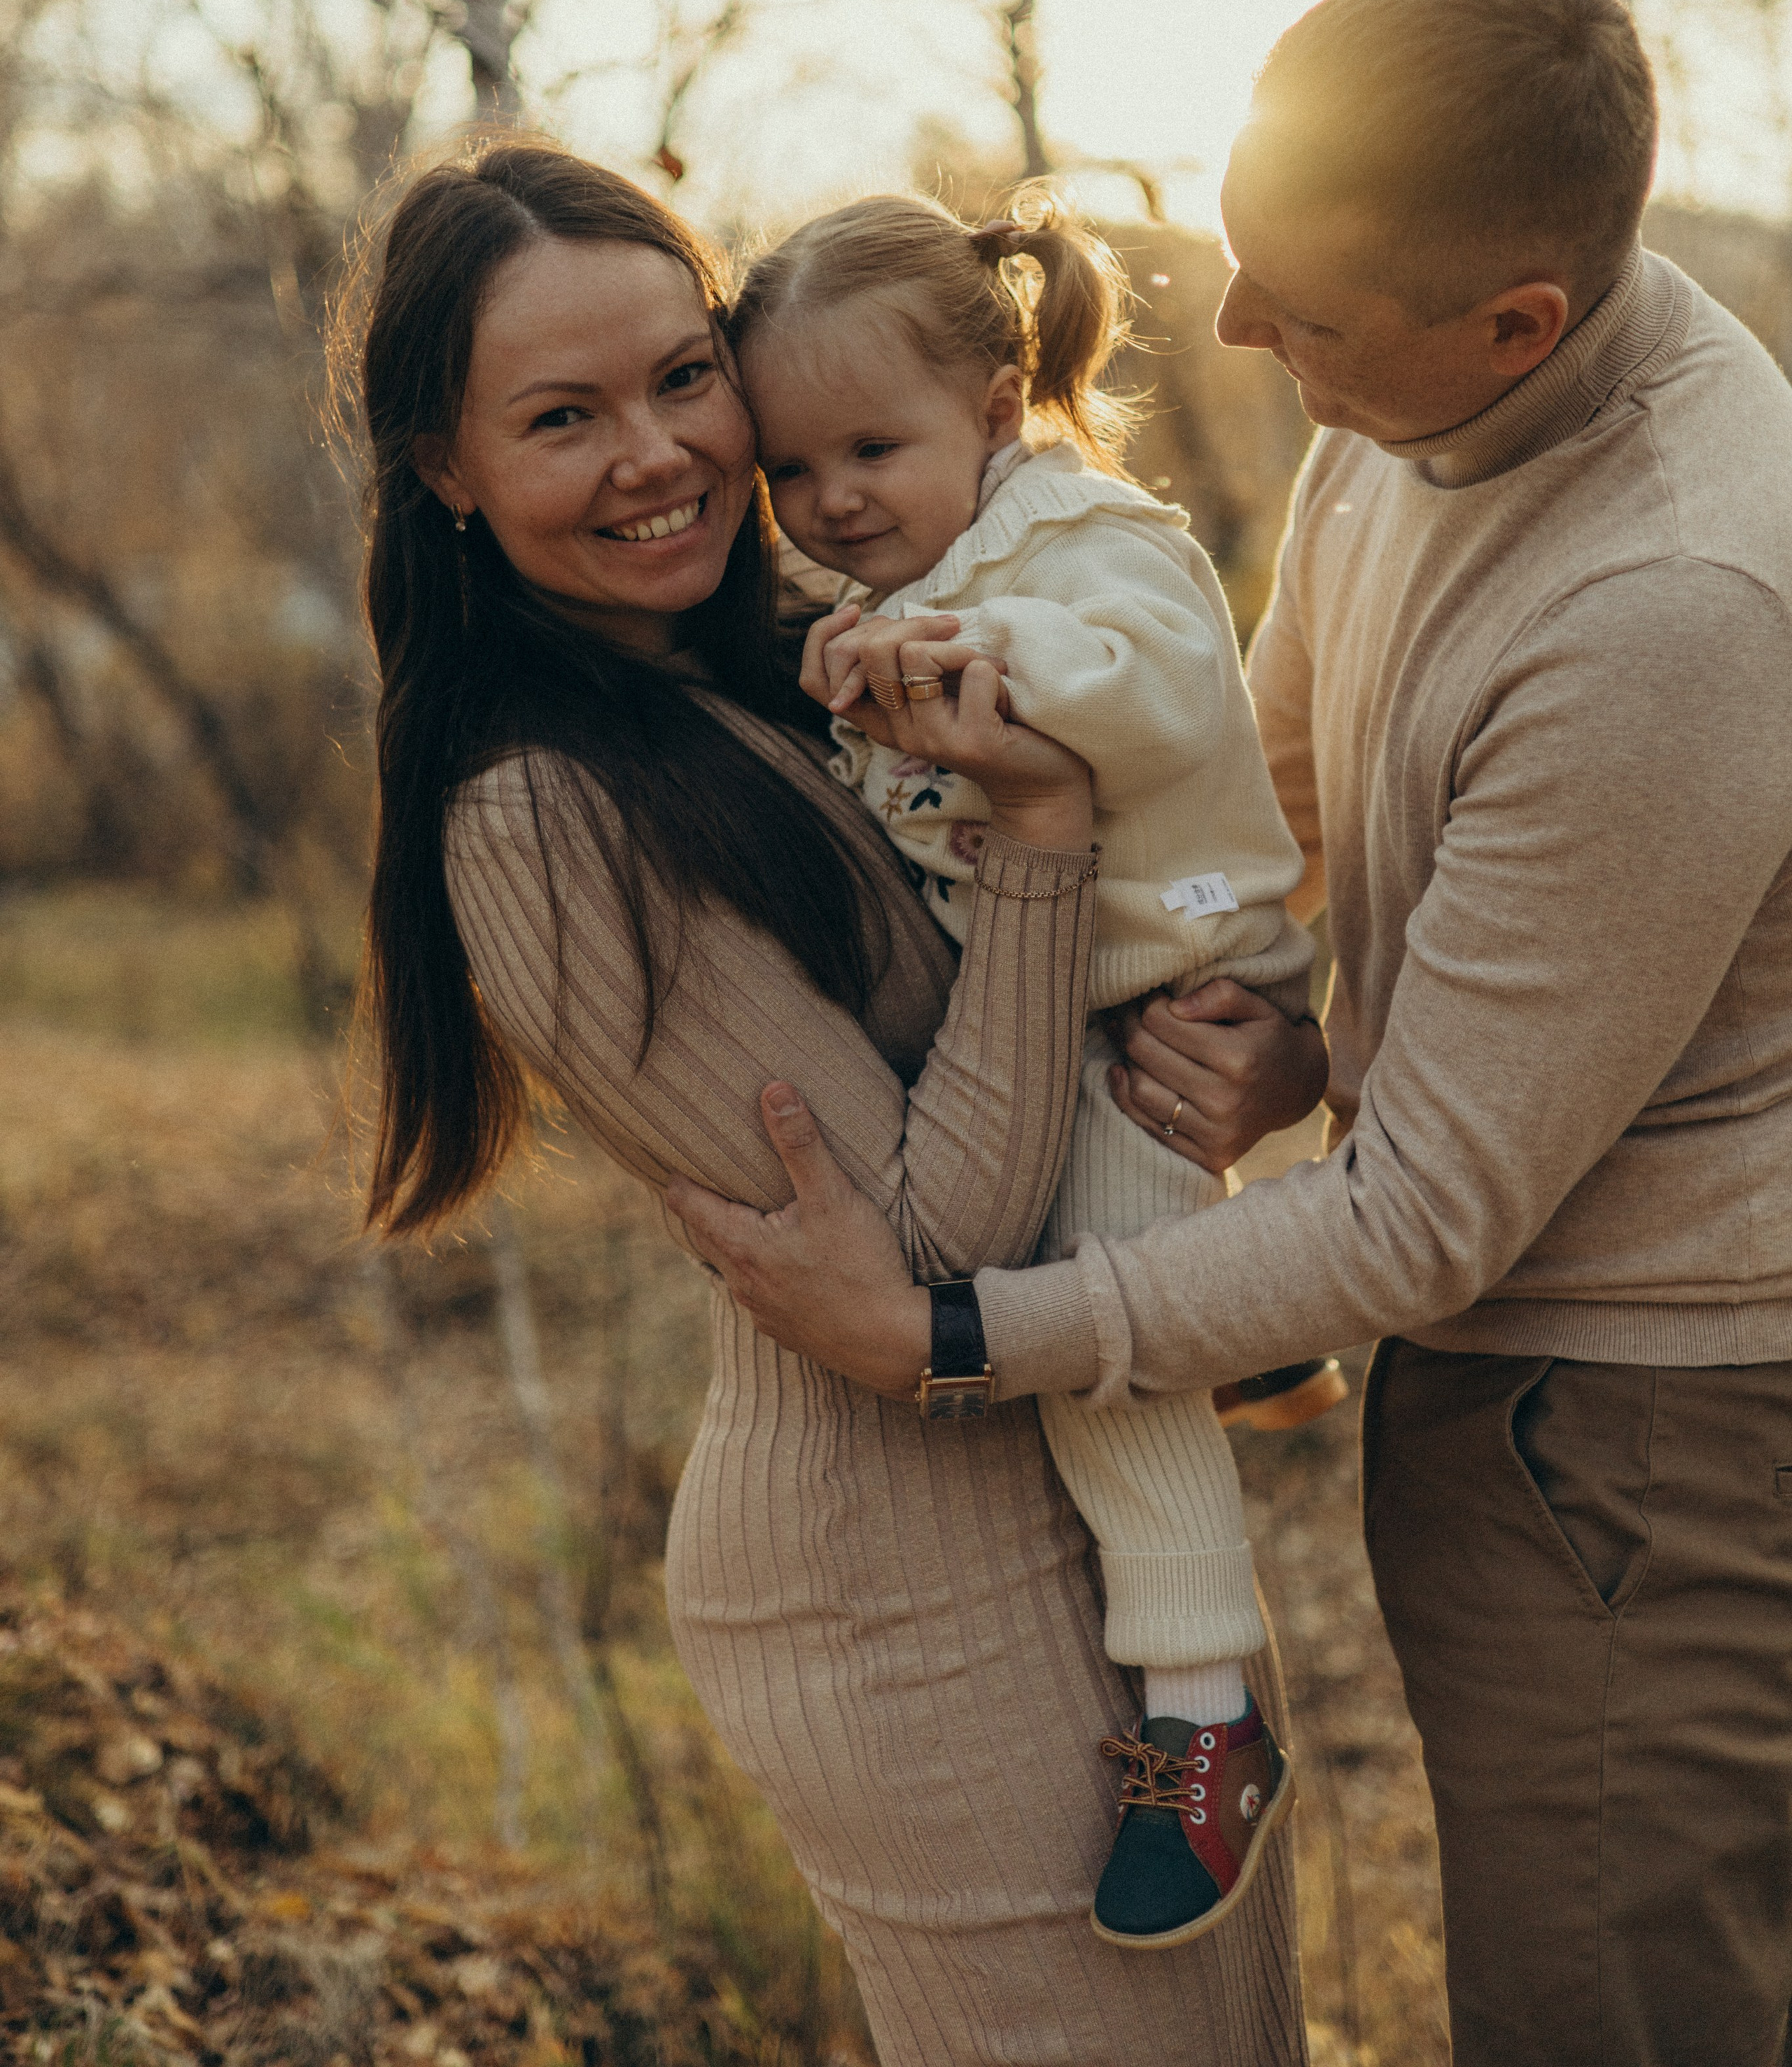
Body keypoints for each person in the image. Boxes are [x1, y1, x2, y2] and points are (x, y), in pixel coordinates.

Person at [671, 0, 1792, 2067]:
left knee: (1610, 2017)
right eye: (1241, 253)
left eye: (1313, 309)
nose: (1246, 328)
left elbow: (1421, 1220)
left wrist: (954, 1337)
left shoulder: (1674, 601)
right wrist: (1284, 1020)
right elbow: (1266, 771)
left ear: (1521, 319)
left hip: (1648, 1429)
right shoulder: (1424, 395)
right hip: (1522, 1382)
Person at [336, 134, 1320, 2067]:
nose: (659, 455)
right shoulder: (541, 817)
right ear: (445, 470)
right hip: (908, 1587)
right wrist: (1037, 836)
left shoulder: (815, 648)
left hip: (1100, 1488)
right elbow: (934, 1242)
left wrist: (1271, 1051)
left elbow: (1160, 863)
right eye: (561, 416)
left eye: (682, 377)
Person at [729, 190, 1337, 1949]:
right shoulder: (882, 583)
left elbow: (1148, 693)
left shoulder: (1089, 540)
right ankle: (1249, 1340)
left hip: (1168, 1004)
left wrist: (961, 665)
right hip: (1053, 1002)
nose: (834, 502)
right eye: (794, 471)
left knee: (1093, 1362)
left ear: (998, 410)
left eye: (871, 448)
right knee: (1095, 1310)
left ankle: (1208, 1726)